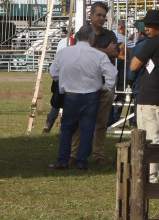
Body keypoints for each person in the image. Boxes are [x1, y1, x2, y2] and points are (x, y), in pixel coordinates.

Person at [48, 25, 116, 170]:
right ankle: (82, 162)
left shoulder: (63, 53)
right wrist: (106, 88)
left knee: (67, 128)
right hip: (91, 96)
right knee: (87, 128)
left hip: (71, 95)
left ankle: (62, 160)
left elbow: (53, 72)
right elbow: (112, 74)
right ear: (92, 39)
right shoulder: (99, 55)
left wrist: (63, 83)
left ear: (76, 38)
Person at [129, 8, 159, 183]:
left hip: (150, 99)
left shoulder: (153, 42)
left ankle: (149, 177)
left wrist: (144, 62)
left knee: (151, 140)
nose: (146, 28)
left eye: (149, 25)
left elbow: (133, 66)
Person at [71, 2, 120, 164]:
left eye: (104, 16)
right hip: (85, 84)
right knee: (79, 121)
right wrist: (105, 51)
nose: (101, 18)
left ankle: (98, 155)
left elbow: (115, 53)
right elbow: (79, 52)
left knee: (101, 123)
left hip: (105, 85)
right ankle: (74, 154)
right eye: (99, 15)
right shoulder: (83, 32)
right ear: (90, 15)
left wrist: (94, 50)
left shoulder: (110, 35)